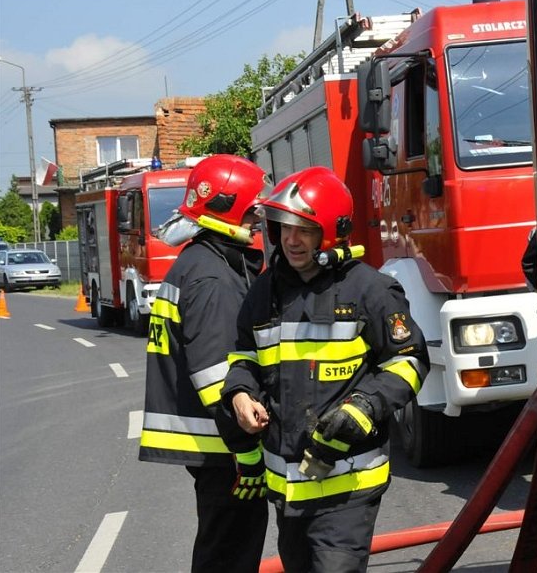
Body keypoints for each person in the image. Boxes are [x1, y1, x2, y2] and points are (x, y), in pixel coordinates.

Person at [219, 166, 429, 572]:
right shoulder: (264, 292)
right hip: (286, 491)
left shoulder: (369, 289)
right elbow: (244, 357)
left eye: (304, 229)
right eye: (284, 228)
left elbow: (410, 359)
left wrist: (365, 406)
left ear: (331, 231)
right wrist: (240, 393)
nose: (291, 240)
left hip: (347, 488)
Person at [138, 154, 271, 573]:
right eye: (251, 210)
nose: (258, 220)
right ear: (227, 209)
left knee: (222, 548)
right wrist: (246, 452)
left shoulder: (199, 261)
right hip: (224, 446)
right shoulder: (212, 278)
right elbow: (217, 377)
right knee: (229, 556)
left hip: (214, 445)